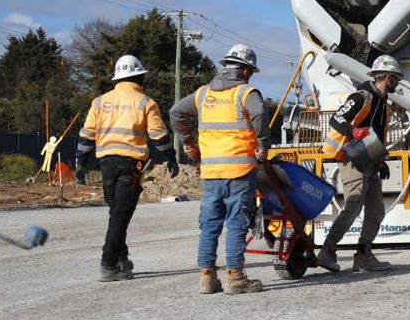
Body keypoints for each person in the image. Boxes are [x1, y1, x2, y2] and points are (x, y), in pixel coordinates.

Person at [170, 44, 269, 295]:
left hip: (212, 172)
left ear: (227, 66)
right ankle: (235, 277)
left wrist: (188, 143)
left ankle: (207, 278)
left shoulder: (203, 95)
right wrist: (262, 144)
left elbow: (175, 113)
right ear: (245, 70)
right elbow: (259, 113)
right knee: (237, 223)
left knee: (210, 224)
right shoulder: (247, 93)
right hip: (240, 170)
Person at [76, 55, 178, 282]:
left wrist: (81, 163)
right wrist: (170, 156)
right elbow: (159, 136)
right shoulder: (145, 102)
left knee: (117, 213)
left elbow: (86, 135)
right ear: (139, 76)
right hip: (131, 165)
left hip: (106, 165)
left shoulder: (99, 102)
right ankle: (108, 263)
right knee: (120, 215)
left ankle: (122, 259)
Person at [315, 54, 401, 273]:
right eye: (396, 78)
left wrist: (379, 160)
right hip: (350, 157)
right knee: (354, 205)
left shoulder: (384, 105)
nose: (398, 83)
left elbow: (375, 136)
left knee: (376, 211)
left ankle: (363, 255)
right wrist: (353, 131)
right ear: (388, 77)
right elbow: (336, 119)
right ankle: (327, 251)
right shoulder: (362, 96)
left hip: (368, 161)